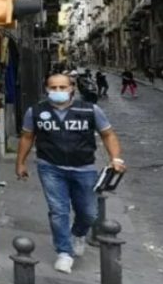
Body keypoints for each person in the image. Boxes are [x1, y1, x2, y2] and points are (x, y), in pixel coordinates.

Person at [16, 73, 124, 273]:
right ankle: (64, 252)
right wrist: (20, 163)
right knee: (58, 210)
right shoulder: (36, 111)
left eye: (62, 87)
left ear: (72, 87)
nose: (58, 91)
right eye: (53, 88)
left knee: (89, 213)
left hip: (84, 168)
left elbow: (108, 134)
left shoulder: (90, 110)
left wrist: (115, 159)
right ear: (46, 89)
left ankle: (78, 233)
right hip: (50, 167)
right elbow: (27, 137)